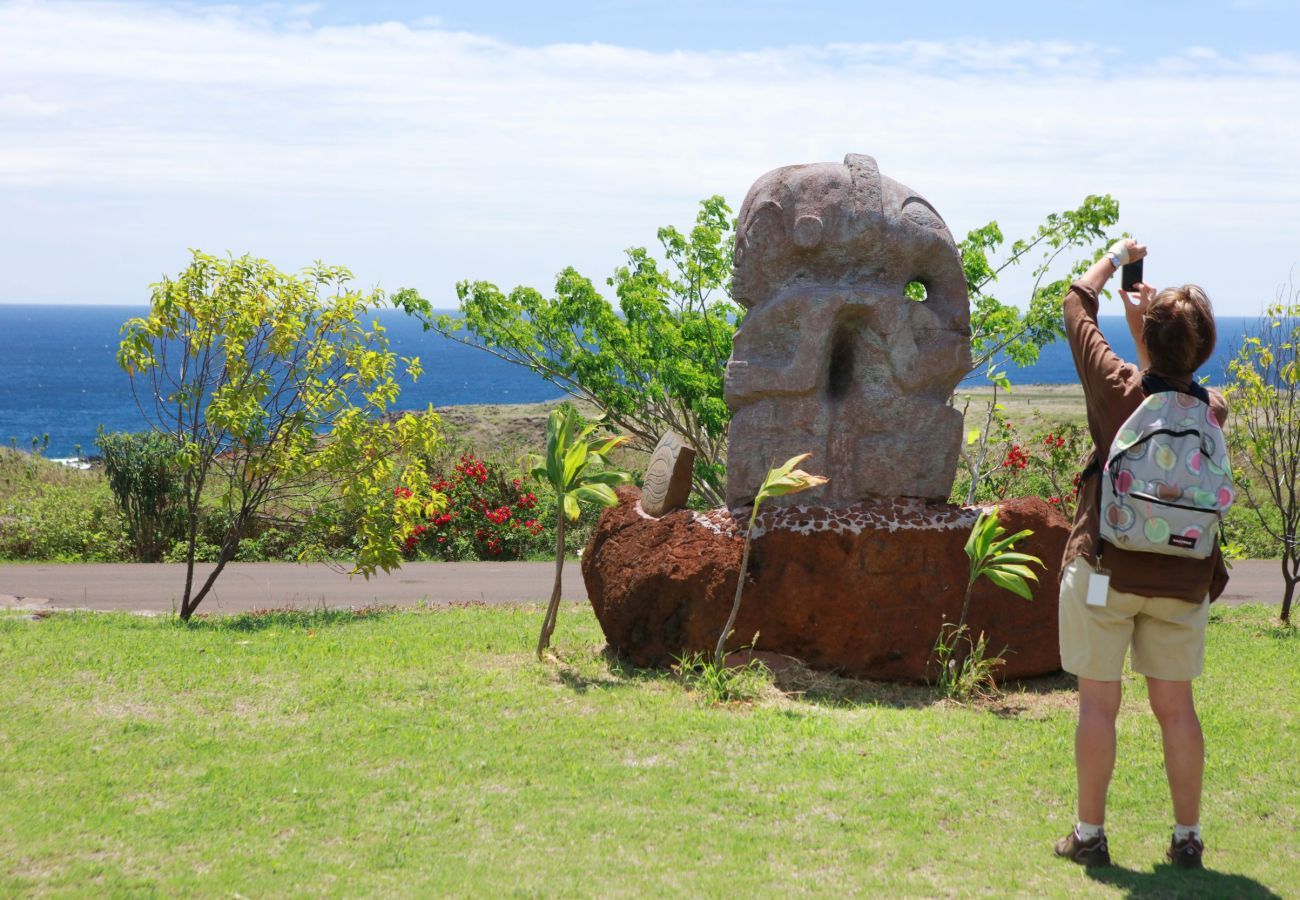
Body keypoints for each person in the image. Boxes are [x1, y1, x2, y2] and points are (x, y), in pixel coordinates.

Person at [1052, 238, 1227, 870]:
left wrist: (1116, 255)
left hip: (1106, 569)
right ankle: (1186, 838)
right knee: (1176, 711)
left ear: (1147, 342)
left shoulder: (1116, 387)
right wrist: (1151, 332)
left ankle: (1090, 836)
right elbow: (1174, 391)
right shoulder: (1213, 408)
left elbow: (1075, 304)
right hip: (1182, 579)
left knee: (1099, 706)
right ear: (1203, 350)